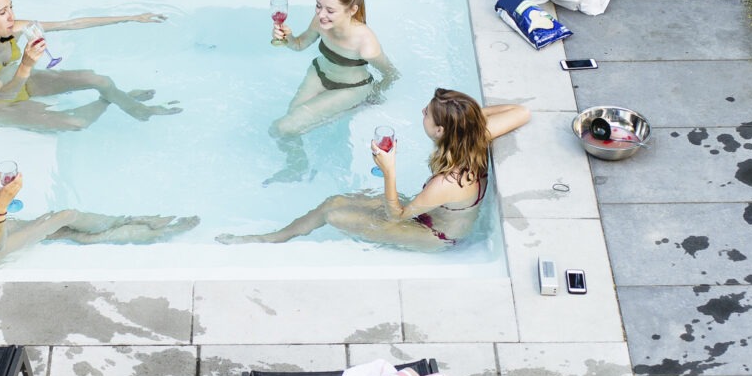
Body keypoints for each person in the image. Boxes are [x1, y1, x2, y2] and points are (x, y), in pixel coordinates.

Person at [222, 89, 527, 250]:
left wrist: (389, 171)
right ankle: (277, 236)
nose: (422, 112)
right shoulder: (474, 139)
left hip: (435, 234)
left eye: (428, 114)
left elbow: (396, 215)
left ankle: (272, 240)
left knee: (334, 215)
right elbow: (521, 112)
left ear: (439, 131)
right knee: (335, 200)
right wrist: (467, 121)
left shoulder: (447, 182)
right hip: (431, 211)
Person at [0, 117, 194, 269]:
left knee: (61, 231)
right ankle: (145, 225)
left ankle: (140, 229)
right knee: (64, 217)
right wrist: (0, 207)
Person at [0, 0, 179, 132]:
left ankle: (136, 109)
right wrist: (26, 65)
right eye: (2, 12)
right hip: (2, 105)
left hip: (22, 82)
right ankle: (115, 100)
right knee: (77, 123)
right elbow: (5, 94)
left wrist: (131, 18)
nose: (11, 16)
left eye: (11, 7)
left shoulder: (14, 28)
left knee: (99, 79)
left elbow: (71, 24)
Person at [267, 0, 400, 182]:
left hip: (350, 88)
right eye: (318, 6)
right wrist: (286, 36)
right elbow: (299, 45)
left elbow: (392, 74)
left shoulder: (365, 42)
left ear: (352, 10)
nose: (321, 15)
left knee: (282, 127)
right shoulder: (320, 22)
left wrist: (374, 94)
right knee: (284, 128)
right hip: (319, 74)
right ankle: (298, 165)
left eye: (330, 10)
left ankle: (305, 163)